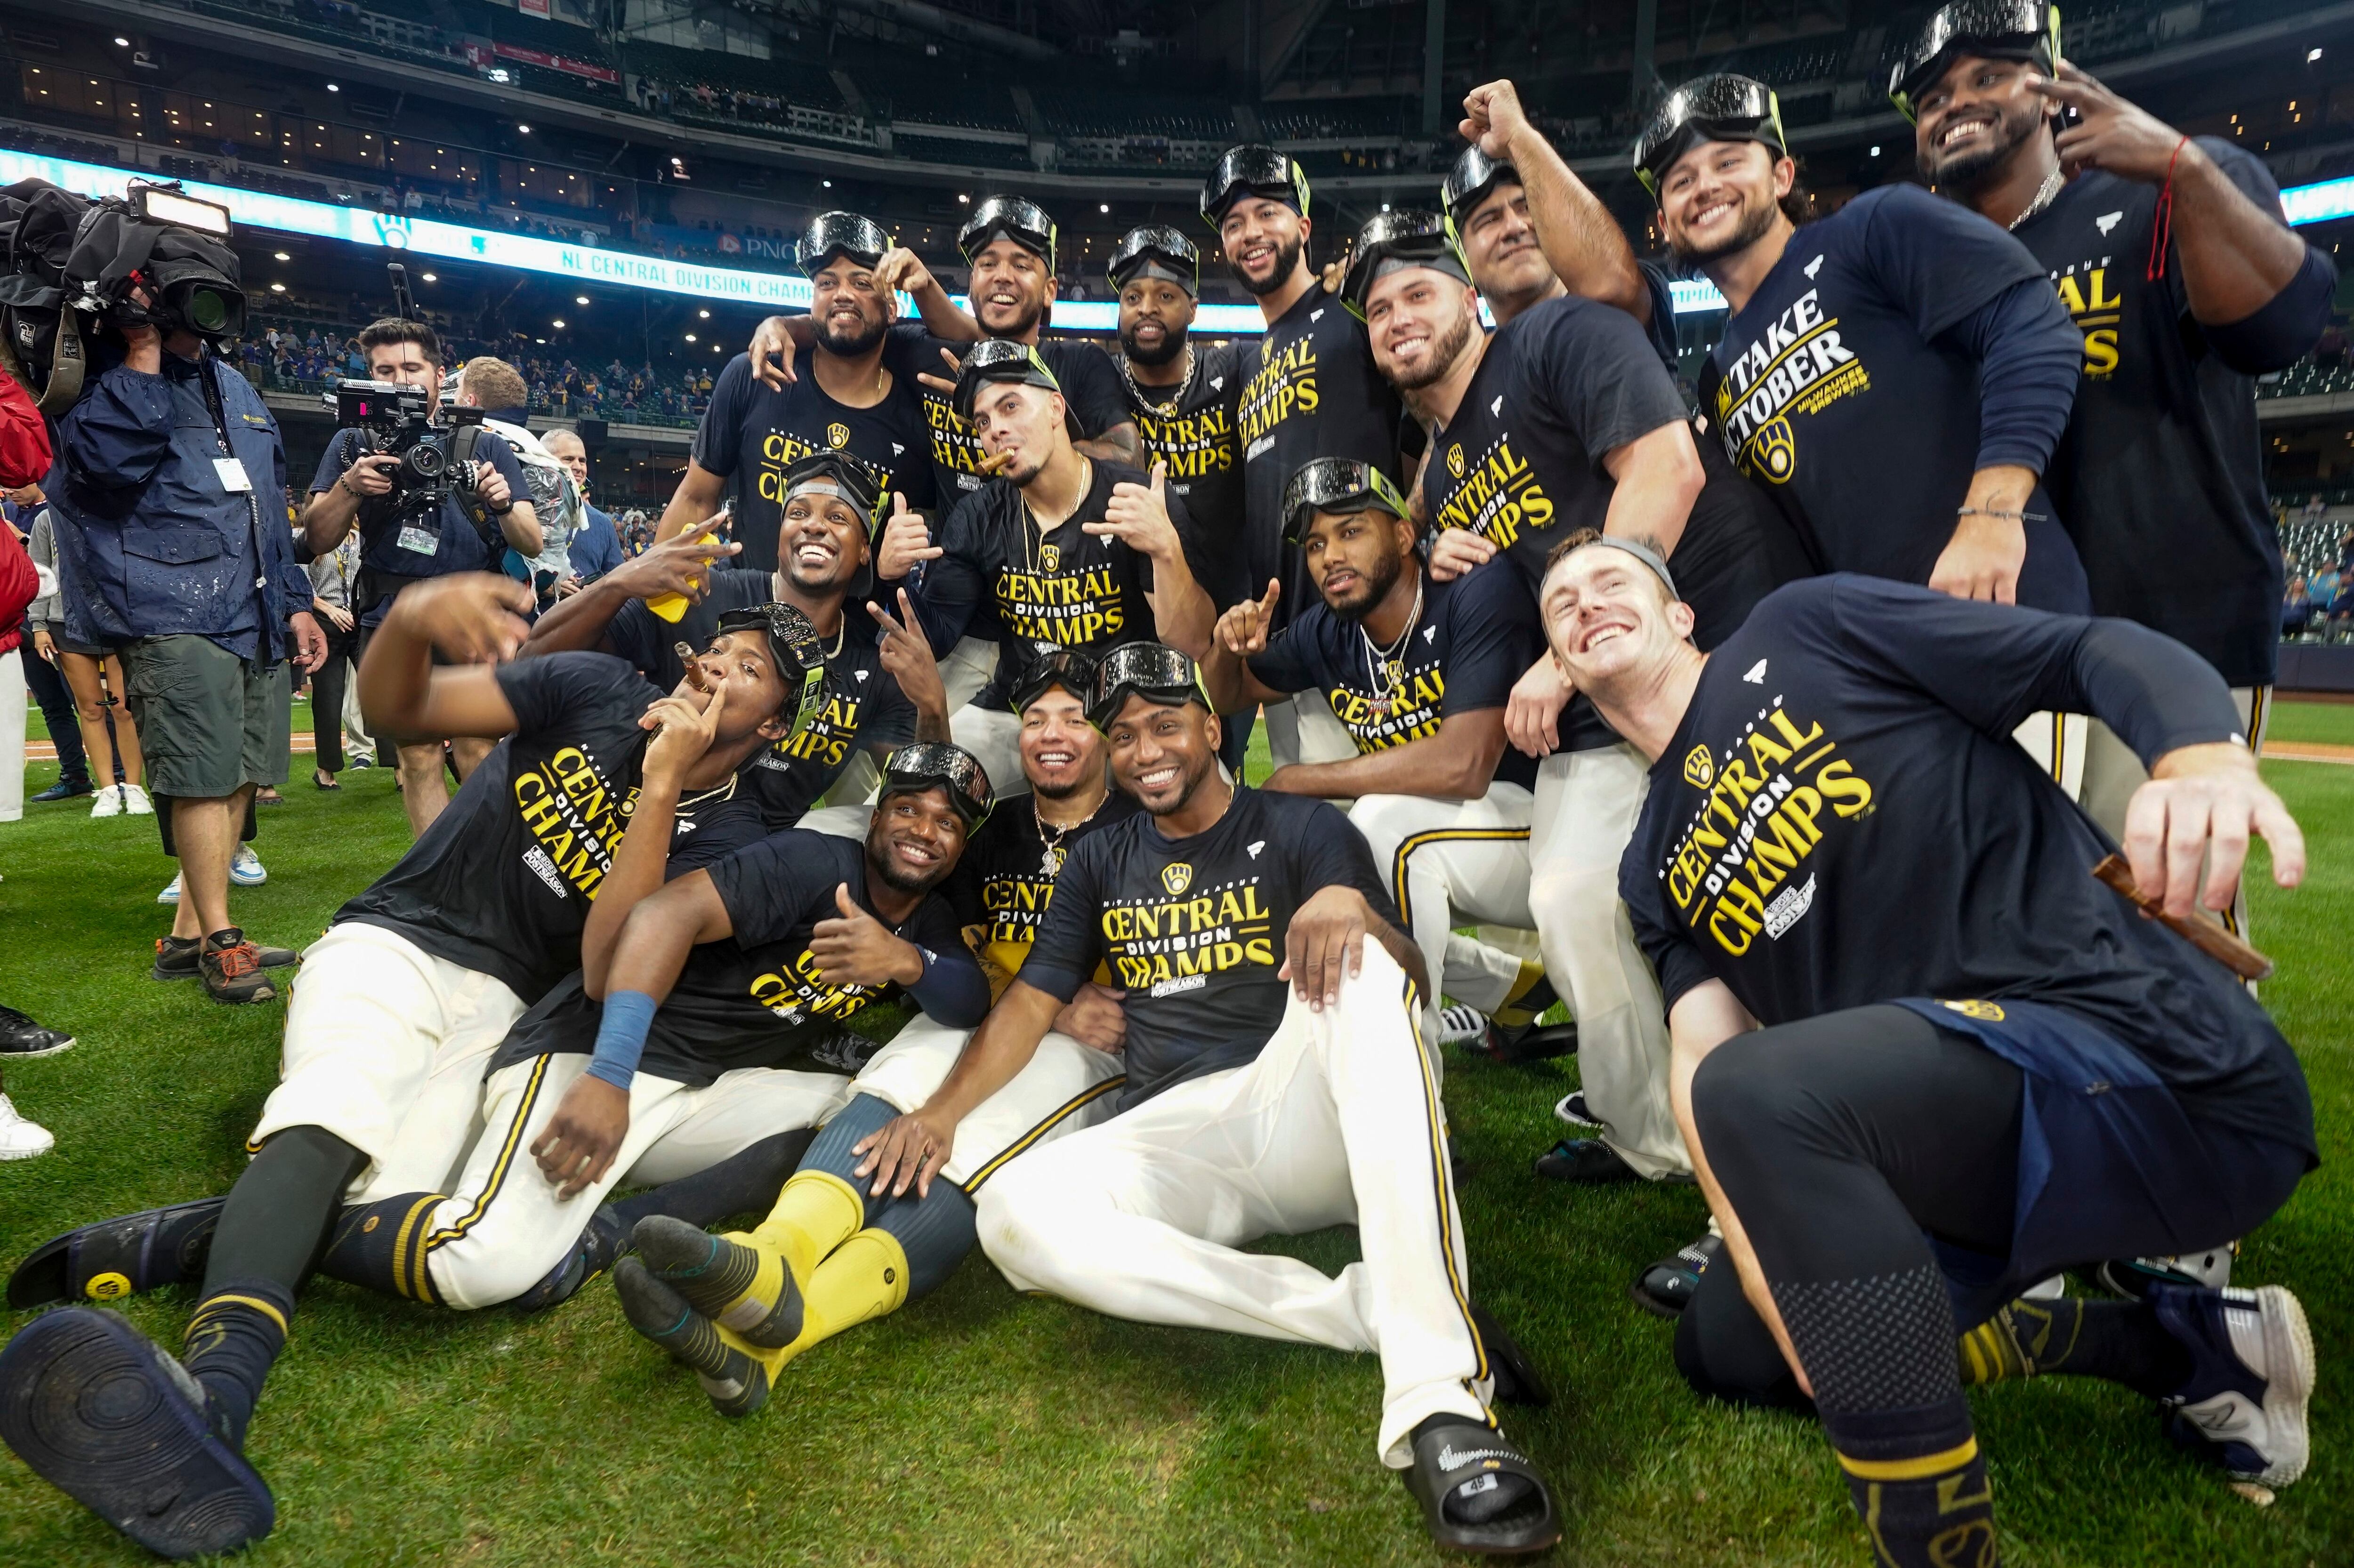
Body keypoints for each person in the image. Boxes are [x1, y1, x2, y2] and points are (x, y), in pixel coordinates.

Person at [1538, 530, 2317, 1567]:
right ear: (1558, 660)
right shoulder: (1647, 868)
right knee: (1730, 1341)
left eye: (1611, 582)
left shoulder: (1801, 628)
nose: (1586, 602)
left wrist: (2198, 751)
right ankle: (2190, 1345)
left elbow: (2079, 655)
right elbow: (1698, 1055)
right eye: (1559, 605)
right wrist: (1756, 1253)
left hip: (2156, 1064)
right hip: (1971, 1116)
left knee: (1763, 1094)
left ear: (1680, 614)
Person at [0, 576, 822, 1558]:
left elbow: (608, 968)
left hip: (512, 1008)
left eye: (755, 671)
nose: (722, 669)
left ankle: (192, 1239)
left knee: (423, 1211)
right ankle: (215, 1401)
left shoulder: (732, 835)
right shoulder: (596, 687)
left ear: (774, 726)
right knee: (336, 1111)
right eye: (720, 651)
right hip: (400, 938)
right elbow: (400, 713)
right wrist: (422, 615)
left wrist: (659, 784)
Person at [859, 643, 1564, 1557]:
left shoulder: (1297, 825)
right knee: (1014, 1215)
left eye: (1162, 724)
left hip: (1307, 1106)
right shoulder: (1100, 857)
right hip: (1181, 1130)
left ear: (1208, 727)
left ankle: (1440, 1404)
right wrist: (940, 1114)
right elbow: (1033, 1001)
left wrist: (1357, 915)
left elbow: (1412, 984)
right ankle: (1366, 1309)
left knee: (1357, 967)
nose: (1142, 749)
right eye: (1122, 735)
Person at [1352, 212, 1784, 1192]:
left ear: (1469, 298)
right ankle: (1656, 1142)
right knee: (1570, 895)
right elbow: (1508, 555)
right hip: (1593, 726)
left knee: (1762, 904)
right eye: (1378, 311)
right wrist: (1439, 552)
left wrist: (1561, 653)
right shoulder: (1450, 467)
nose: (1396, 319)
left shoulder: (1556, 335)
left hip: (1706, 674)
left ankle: (1778, 1137)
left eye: (1417, 293)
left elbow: (1667, 468)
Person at [1898, 1, 2332, 941]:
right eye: (1933, 96)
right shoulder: (1929, 280)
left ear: (2049, 85)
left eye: (1986, 76)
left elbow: (2277, 327)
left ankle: (2215, 1087)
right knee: (2028, 911)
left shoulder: (2153, 192)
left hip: (2172, 617)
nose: (1955, 104)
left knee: (2163, 912)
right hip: (2005, 641)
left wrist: (2185, 169)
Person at [593, 736, 1100, 1416]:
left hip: (1087, 1038)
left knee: (971, 1154)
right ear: (874, 816)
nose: (927, 830)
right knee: (891, 1094)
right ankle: (773, 1256)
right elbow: (969, 989)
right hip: (657, 1066)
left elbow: (963, 982)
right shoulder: (851, 862)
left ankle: (769, 1331)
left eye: (947, 823)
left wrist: (909, 964)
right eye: (1039, 715)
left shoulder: (1129, 833)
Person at [1638, 74, 2087, 611]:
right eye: (1681, 180)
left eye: (1728, 163)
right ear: (1664, 223)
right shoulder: (1716, 377)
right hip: (1884, 650)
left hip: (2005, 591)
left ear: (1782, 176)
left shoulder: (1871, 228)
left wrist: (1991, 516)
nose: (1705, 186)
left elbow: (2031, 325)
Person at [1201, 458, 1559, 1057]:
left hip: (1546, 831)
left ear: (1401, 533)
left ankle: (1412, 1079)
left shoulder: (1469, 592)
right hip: (1454, 842)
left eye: (1350, 531)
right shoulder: (1331, 631)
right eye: (1315, 543)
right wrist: (1224, 644)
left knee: (1381, 823)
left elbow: (1464, 764)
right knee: (1314, 853)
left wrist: (1303, 780)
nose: (1329, 557)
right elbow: (1230, 692)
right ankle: (1508, 987)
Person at [44, 285, 327, 1001]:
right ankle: (222, 944)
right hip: (168, 605)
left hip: (254, 602)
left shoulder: (233, 384)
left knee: (239, 770)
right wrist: (140, 349)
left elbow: (269, 502)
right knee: (201, 772)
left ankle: (189, 934)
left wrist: (296, 602)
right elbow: (103, 470)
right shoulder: (98, 379)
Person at [526, 450, 947, 832]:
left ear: (863, 551)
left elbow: (922, 805)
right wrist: (617, 584)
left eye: (838, 518)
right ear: (780, 533)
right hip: (625, 819)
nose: (815, 525)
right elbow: (534, 665)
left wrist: (933, 707)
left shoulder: (872, 667)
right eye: (798, 513)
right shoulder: (703, 592)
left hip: (742, 870)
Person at [877, 342, 1215, 793]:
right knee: (916, 794)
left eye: (1011, 406)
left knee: (1207, 806)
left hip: (1126, 711)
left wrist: (1167, 551)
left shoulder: (1135, 497)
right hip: (1018, 711)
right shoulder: (978, 517)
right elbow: (935, 636)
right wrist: (893, 575)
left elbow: (1191, 642)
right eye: (983, 421)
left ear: (1056, 407)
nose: (996, 430)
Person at [1205, 145, 1409, 771]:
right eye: (1234, 225)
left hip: (1367, 630)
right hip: (1292, 648)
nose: (1250, 234)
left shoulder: (1353, 313)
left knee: (1377, 832)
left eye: (1267, 213)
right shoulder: (1247, 362)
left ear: (1304, 227)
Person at [299, 317, 540, 836]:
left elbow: (531, 539)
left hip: (472, 614)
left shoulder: (483, 441)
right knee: (417, 756)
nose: (400, 381)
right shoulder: (353, 440)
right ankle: (438, 876)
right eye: (384, 371)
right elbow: (315, 539)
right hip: (392, 616)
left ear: (439, 373)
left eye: (411, 368)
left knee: (480, 747)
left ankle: (486, 869)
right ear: (370, 376)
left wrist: (500, 502)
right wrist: (350, 487)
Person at [658, 214, 937, 575]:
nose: (842, 294)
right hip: (744, 619)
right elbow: (695, 498)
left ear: (892, 309)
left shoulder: (915, 420)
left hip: (847, 629)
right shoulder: (754, 374)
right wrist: (657, 606)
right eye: (827, 282)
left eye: (863, 283)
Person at [24, 489, 141, 812]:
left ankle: (134, 787)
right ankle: (107, 790)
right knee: (90, 709)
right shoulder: (48, 519)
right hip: (65, 620)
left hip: (119, 620)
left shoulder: (119, 512)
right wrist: (39, 625)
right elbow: (38, 574)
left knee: (125, 709)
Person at [302, 523, 362, 790]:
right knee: (328, 698)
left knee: (382, 692)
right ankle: (326, 769)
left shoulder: (363, 539)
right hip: (325, 623)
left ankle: (398, 766)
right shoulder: (308, 539)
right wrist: (331, 610)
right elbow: (301, 586)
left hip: (361, 620)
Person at [544, 428, 622, 591]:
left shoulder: (603, 524)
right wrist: (544, 588)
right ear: (544, 460)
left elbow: (616, 584)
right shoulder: (524, 511)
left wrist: (591, 594)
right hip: (533, 614)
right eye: (568, 459)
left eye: (583, 460)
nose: (578, 467)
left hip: (589, 614)